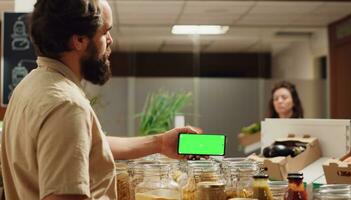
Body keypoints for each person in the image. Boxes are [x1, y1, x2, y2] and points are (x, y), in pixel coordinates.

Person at [0, 0, 201, 199]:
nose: (110, 40)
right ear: (79, 40)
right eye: (105, 32)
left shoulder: (29, 86)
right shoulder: (66, 106)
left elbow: (81, 146)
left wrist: (160, 143)